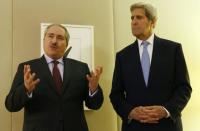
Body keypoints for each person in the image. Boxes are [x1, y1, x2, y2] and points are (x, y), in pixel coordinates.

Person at [5, 24, 104, 131]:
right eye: (50, 36)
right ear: (44, 40)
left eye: (60, 38)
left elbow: (95, 105)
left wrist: (94, 89)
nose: (54, 41)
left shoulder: (81, 68)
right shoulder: (27, 68)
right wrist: (25, 89)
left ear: (66, 44)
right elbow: (11, 105)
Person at [110, 2, 192, 131]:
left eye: (139, 17)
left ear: (153, 22)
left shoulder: (173, 49)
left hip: (167, 126)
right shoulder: (122, 56)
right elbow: (116, 94)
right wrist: (130, 112)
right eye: (132, 18)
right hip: (134, 127)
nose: (134, 22)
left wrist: (166, 110)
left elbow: (184, 88)